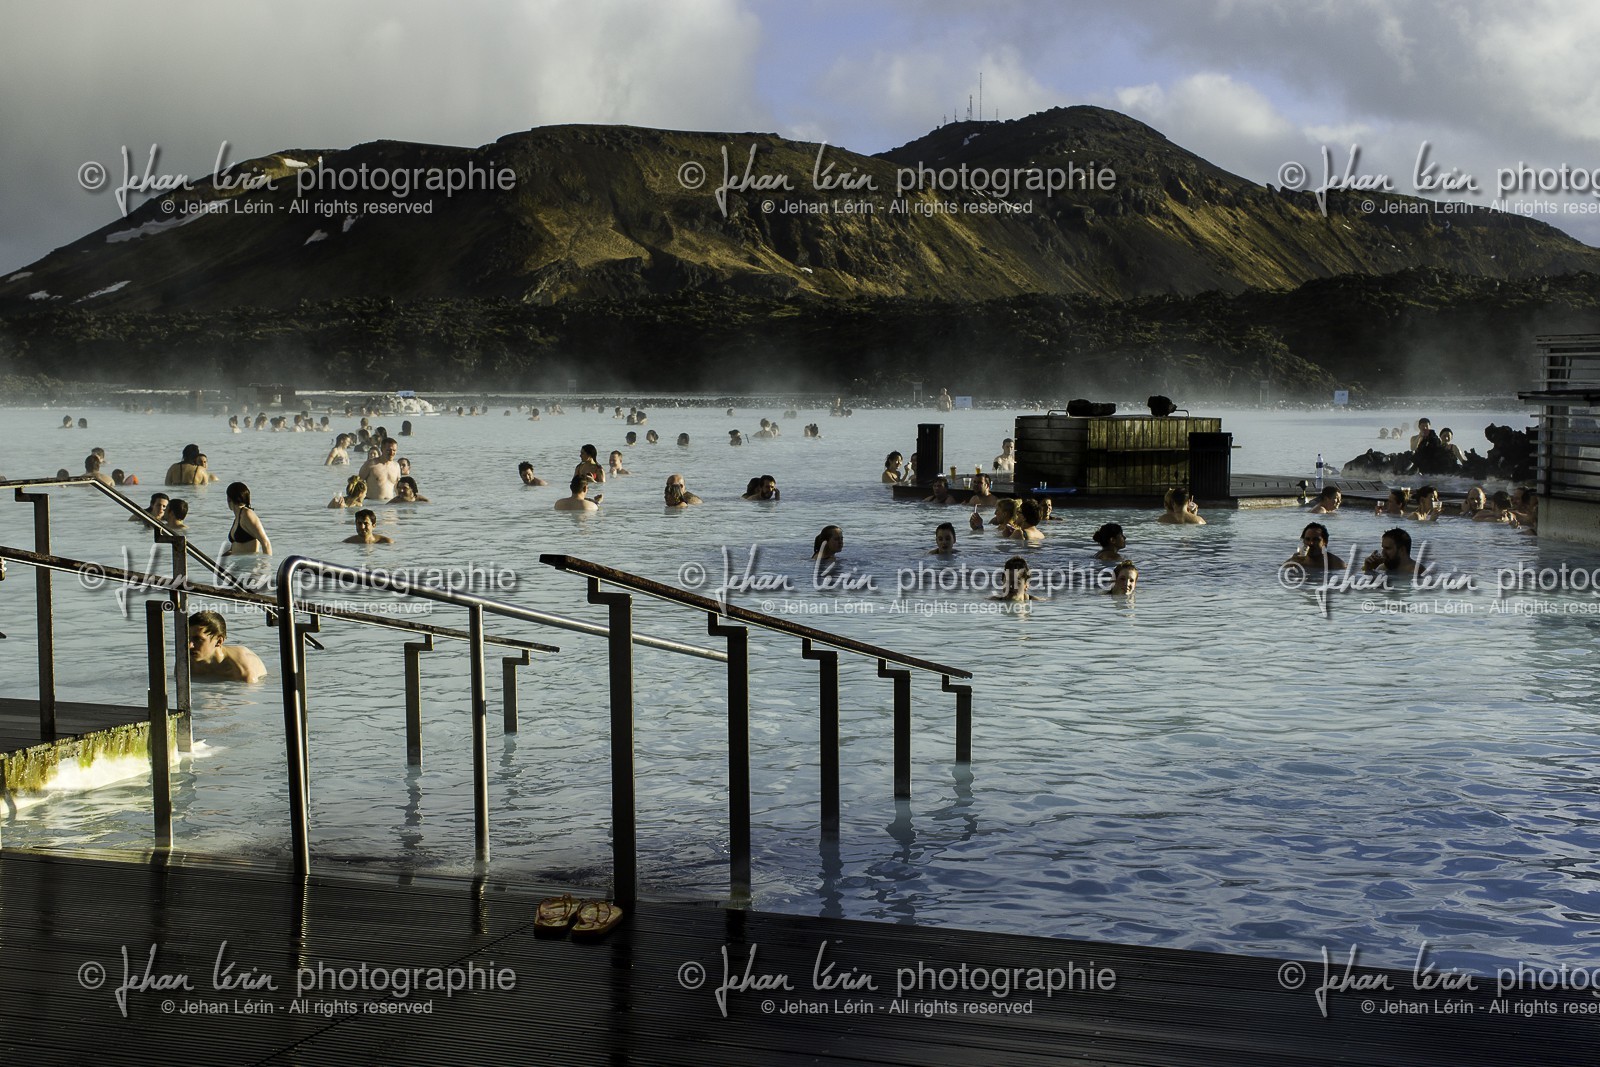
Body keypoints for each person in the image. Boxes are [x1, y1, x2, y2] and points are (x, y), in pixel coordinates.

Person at [187, 610, 268, 683]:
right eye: (187, 638)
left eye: (198, 639)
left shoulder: (239, 668)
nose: (189, 645)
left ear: (219, 641)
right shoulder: (186, 661)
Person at [223, 482, 271, 555]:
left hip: (249, 565)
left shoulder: (247, 514)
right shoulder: (238, 517)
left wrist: (266, 565)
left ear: (229, 499)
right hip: (238, 564)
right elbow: (238, 547)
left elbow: (266, 543)